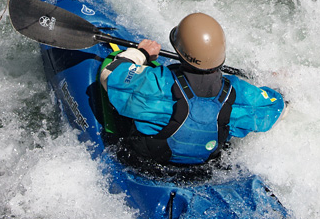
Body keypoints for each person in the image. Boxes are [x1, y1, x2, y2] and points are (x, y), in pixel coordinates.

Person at [99, 12, 285, 166]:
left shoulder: (157, 83)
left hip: (147, 163)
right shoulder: (238, 92)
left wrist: (142, 53)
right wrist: (276, 87)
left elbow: (110, 74)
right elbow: (277, 108)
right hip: (199, 169)